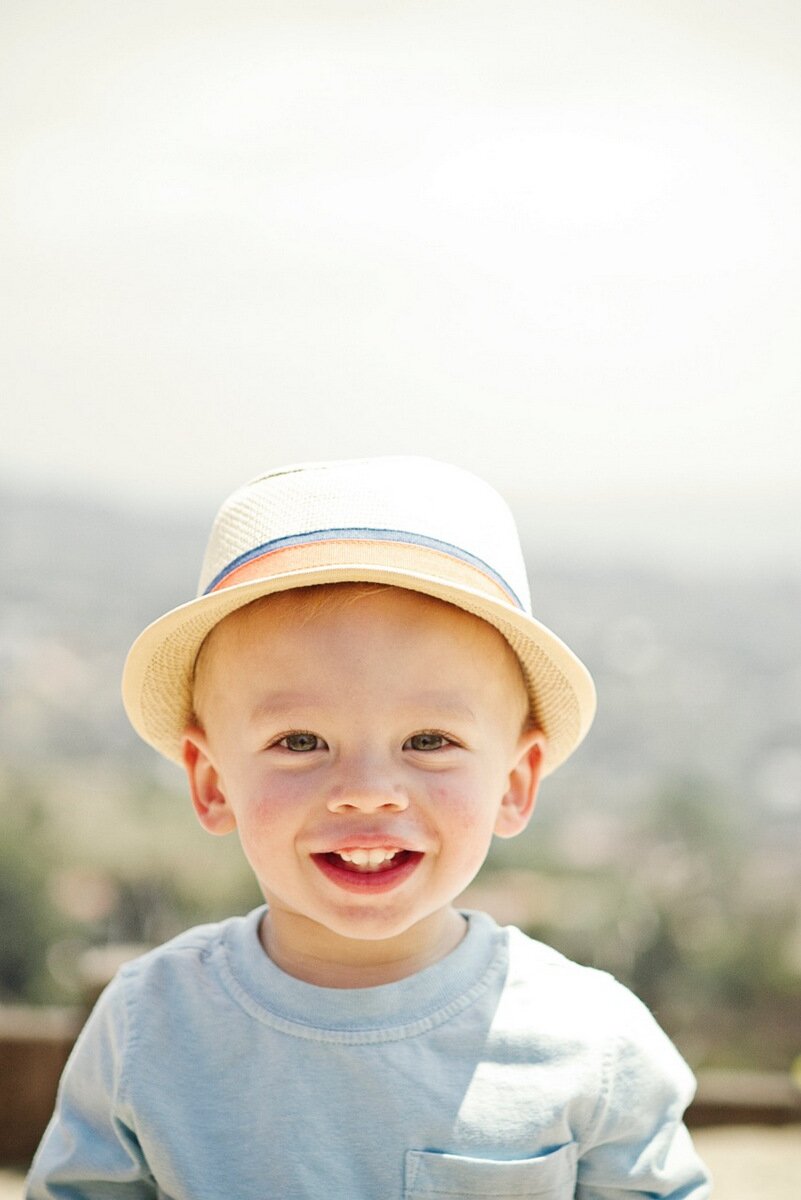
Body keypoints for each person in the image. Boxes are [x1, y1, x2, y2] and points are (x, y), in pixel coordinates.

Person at [27, 456, 711, 1198]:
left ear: (514, 783)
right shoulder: (147, 1030)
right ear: (210, 779)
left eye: (427, 741)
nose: (365, 794)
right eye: (298, 742)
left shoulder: (591, 1043)